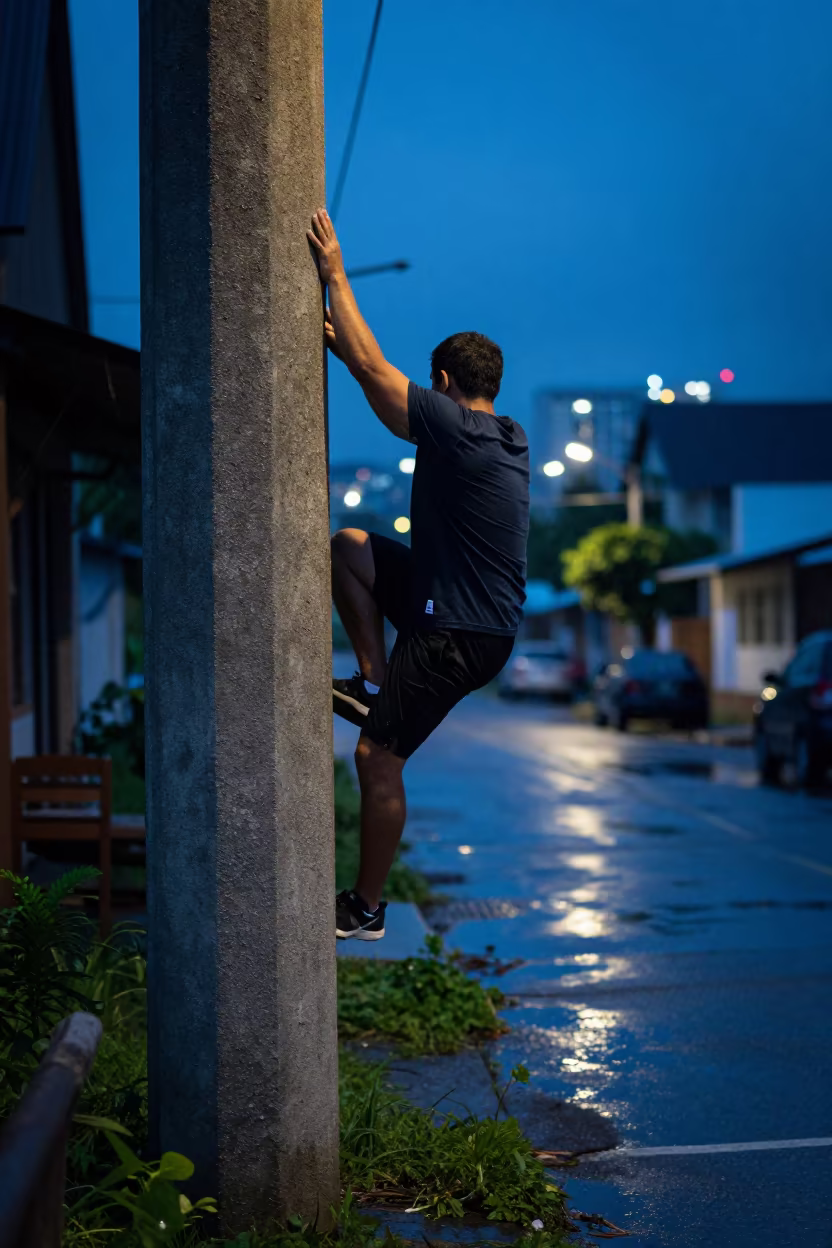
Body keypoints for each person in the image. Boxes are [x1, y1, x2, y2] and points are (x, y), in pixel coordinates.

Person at [307, 209, 529, 942]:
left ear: (441, 382)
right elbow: (377, 386)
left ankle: (366, 908)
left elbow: (377, 372)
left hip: (456, 631)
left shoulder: (457, 429)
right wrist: (350, 359)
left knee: (377, 756)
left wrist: (335, 274)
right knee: (349, 548)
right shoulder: (503, 435)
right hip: (460, 614)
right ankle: (370, 679)